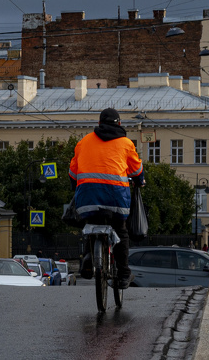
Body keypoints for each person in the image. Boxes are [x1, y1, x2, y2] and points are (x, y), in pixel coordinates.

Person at [69, 107, 143, 288]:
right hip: (116, 198)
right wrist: (139, 182)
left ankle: (87, 259)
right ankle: (124, 273)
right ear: (119, 124)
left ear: (99, 124)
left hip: (88, 197)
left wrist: (76, 188)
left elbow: (72, 173)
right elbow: (136, 170)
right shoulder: (126, 143)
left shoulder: (83, 142)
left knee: (90, 224)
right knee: (121, 230)